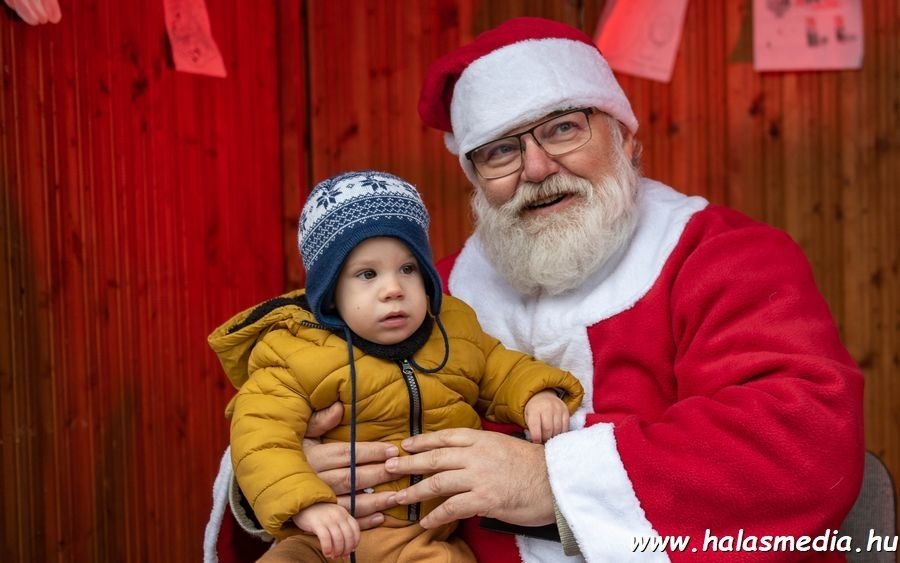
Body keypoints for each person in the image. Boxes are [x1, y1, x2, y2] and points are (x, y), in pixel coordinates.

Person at [205, 16, 864, 563]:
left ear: (626, 137)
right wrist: (294, 478)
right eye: (500, 151)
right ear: (472, 176)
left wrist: (549, 478)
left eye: (562, 128)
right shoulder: (427, 297)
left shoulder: (724, 255)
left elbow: (804, 443)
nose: (538, 168)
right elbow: (283, 405)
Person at [208, 170, 584, 562]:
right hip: (321, 541)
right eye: (367, 274)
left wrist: (536, 393)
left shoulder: (452, 331)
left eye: (408, 269)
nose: (393, 289)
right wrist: (307, 504)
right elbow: (260, 437)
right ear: (330, 291)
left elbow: (498, 367)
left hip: (419, 541)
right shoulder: (295, 350)